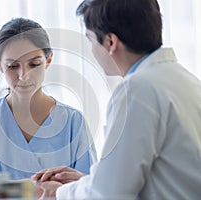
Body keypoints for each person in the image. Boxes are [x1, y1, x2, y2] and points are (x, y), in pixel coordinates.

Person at [31, 0, 201, 199]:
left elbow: (110, 194)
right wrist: (90, 181)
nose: (92, 50)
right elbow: (136, 178)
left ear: (110, 42)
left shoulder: (137, 90)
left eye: (91, 40)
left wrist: (59, 192)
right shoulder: (183, 79)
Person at [0, 18, 96, 190]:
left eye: (34, 64)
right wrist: (43, 190)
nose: (23, 75)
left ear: (48, 60)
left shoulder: (74, 121)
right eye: (13, 66)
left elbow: (88, 187)